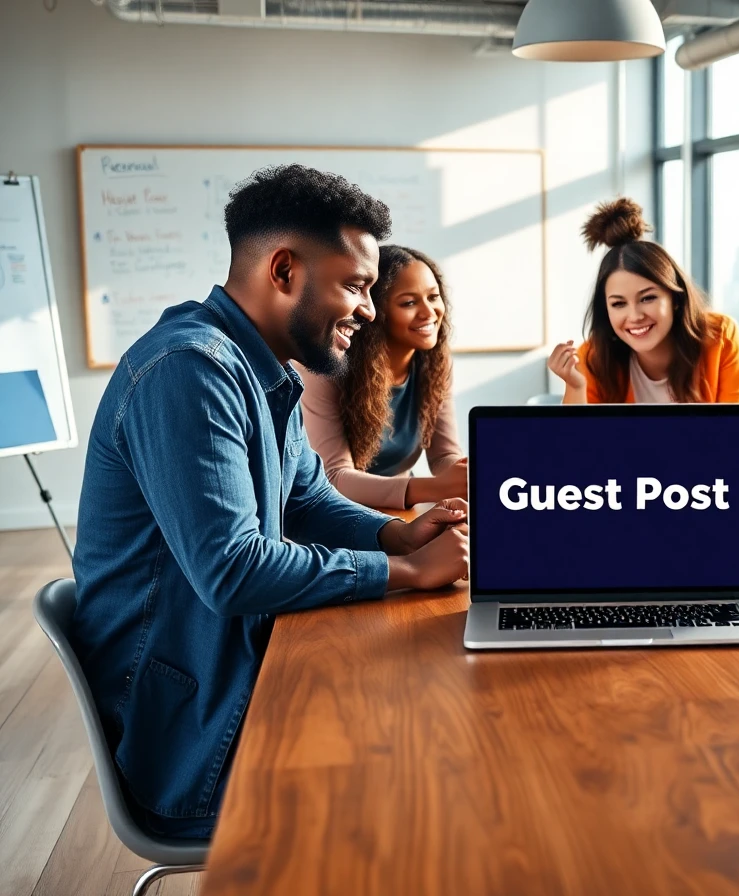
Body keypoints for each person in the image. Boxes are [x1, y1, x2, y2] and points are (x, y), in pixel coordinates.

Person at [70, 165, 469, 839]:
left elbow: (306, 495)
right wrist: (403, 573)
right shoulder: (191, 371)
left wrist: (396, 537)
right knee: (434, 775)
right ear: (284, 270)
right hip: (189, 733)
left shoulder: (261, 366)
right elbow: (234, 570)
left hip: (231, 670)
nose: (368, 310)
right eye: (357, 285)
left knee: (432, 716)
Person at [299, 245, 465, 509]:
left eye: (433, 297)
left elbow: (443, 455)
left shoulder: (434, 363)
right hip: (334, 516)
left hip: (401, 509)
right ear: (374, 313)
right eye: (409, 303)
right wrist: (434, 488)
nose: (428, 313)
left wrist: (467, 474)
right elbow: (334, 477)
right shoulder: (325, 368)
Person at [547, 198, 739, 404]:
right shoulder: (593, 357)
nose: (635, 316)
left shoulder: (721, 338)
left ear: (675, 297)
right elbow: (578, 437)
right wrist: (575, 387)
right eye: (619, 304)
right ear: (606, 310)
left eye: (647, 298)